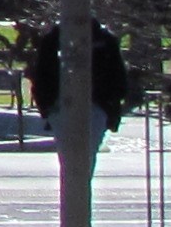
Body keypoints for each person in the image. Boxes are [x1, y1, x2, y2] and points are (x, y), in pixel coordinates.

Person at [25, 19, 133, 163]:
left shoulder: (105, 40)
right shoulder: (53, 40)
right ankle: (77, 183)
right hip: (65, 105)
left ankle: (79, 183)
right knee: (78, 155)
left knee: (77, 155)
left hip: (94, 105)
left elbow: (118, 78)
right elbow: (42, 75)